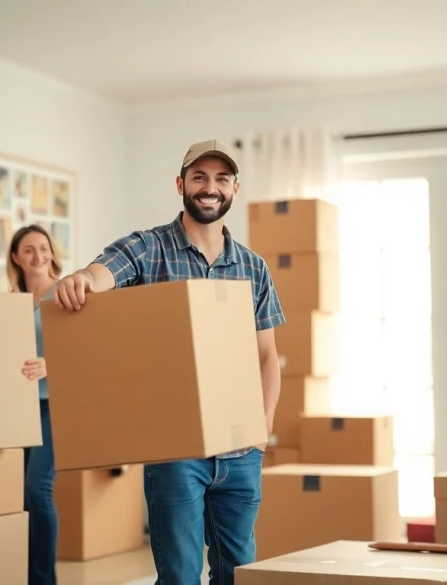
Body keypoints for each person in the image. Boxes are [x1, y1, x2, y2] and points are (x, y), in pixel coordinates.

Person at [53, 139, 284, 585]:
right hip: (176, 453)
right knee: (179, 576)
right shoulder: (148, 248)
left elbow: (267, 356)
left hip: (240, 454)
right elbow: (105, 271)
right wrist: (83, 278)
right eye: (199, 177)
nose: (209, 187)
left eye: (220, 179)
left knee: (237, 575)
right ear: (181, 184)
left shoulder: (252, 268)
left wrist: (262, 431)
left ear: (235, 188)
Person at [8, 224, 63, 585]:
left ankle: (44, 580)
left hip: (54, 407)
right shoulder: (9, 302)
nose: (38, 256)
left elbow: (95, 348)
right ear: (15, 257)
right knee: (18, 497)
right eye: (29, 249)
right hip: (16, 409)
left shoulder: (66, 293)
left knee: (36, 489)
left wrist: (53, 364)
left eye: (43, 248)